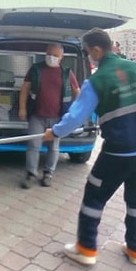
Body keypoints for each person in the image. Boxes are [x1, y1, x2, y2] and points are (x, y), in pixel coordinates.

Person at [42, 28, 136, 266]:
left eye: (87, 52)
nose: (87, 57)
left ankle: (86, 249)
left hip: (119, 151)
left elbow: (76, 117)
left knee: (94, 196)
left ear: (97, 49)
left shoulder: (97, 81)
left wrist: (55, 132)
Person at [18, 43, 80, 189]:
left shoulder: (67, 73)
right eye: (49, 54)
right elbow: (25, 89)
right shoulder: (36, 69)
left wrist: (75, 113)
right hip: (37, 115)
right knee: (34, 145)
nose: (51, 57)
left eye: (55, 55)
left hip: (58, 117)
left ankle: (48, 173)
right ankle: (31, 174)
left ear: (61, 57)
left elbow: (78, 92)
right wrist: (22, 109)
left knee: (53, 147)